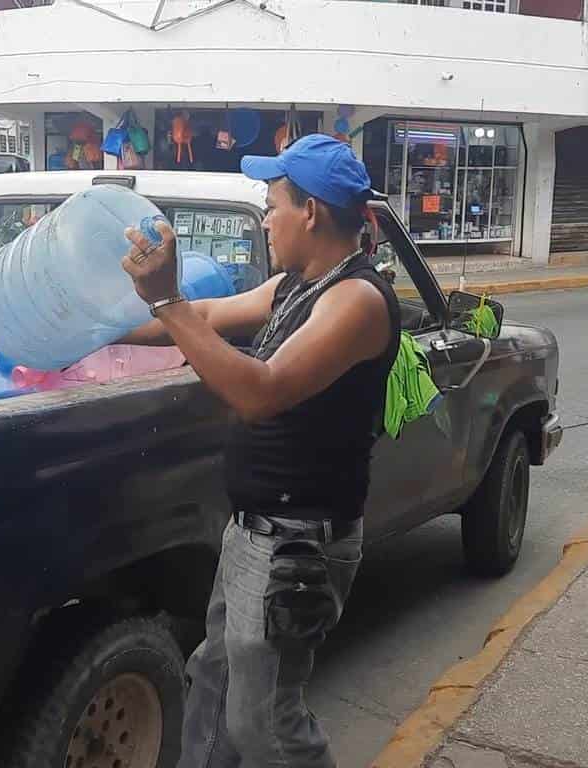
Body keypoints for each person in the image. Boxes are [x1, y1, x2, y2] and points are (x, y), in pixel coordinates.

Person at [119, 133, 401, 768]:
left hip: (296, 545)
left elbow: (261, 392)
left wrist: (166, 299)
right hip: (253, 535)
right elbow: (207, 314)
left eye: (273, 203)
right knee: (213, 687)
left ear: (311, 212)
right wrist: (90, 326)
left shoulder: (355, 300)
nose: (267, 217)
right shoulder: (293, 287)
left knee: (264, 723)